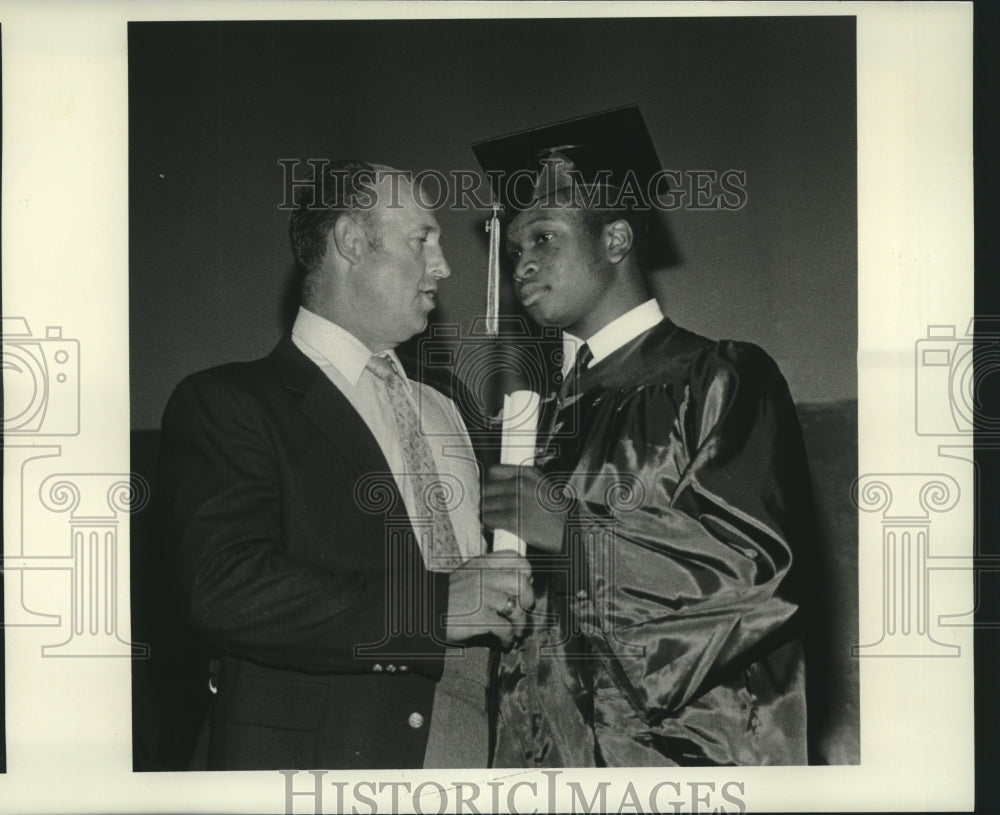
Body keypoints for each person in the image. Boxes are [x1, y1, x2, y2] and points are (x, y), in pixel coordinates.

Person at [157, 160, 533, 770]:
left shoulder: (448, 409)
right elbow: (225, 587)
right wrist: (433, 608)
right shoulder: (229, 402)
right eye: (422, 240)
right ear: (351, 242)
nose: (443, 265)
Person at [475, 106, 815, 766]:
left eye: (543, 238)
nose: (521, 264)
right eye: (515, 249)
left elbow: (757, 574)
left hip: (681, 761)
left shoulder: (718, 376)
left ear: (616, 240)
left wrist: (571, 529)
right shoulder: (532, 427)